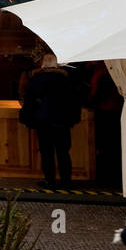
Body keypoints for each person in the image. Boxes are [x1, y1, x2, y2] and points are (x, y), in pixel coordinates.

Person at [20, 54, 82, 187]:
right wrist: (74, 119)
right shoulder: (66, 79)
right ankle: (66, 180)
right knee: (63, 151)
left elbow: (29, 101)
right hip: (62, 121)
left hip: (43, 121)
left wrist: (27, 117)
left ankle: (50, 180)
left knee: (46, 152)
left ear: (43, 64)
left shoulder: (36, 79)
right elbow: (74, 101)